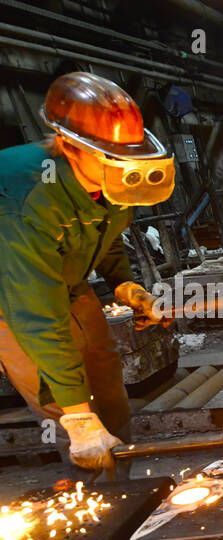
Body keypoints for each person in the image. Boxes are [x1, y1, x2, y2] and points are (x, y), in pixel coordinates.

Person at [0, 72, 175, 471]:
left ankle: (125, 481)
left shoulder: (108, 177)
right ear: (67, 145)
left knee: (106, 377)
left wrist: (125, 284)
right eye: (111, 158)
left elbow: (105, 229)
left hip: (65, 281)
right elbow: (36, 316)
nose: (123, 168)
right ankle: (92, 502)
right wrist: (78, 416)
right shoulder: (26, 197)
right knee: (62, 400)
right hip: (12, 299)